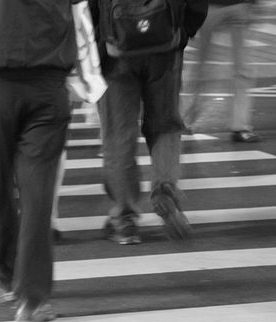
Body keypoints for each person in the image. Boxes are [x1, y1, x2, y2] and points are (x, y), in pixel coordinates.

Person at [0, 0, 81, 322]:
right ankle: (32, 298)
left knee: (2, 184)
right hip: (47, 78)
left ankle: (5, 277)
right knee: (37, 191)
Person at [89, 0, 208, 246]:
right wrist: (183, 32)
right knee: (165, 125)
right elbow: (198, 5)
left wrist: (97, 41)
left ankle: (125, 219)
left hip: (116, 47)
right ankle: (165, 188)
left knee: (118, 135)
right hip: (165, 40)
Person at [182, 0, 260, 142]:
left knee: (238, 67)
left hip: (230, 6)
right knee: (204, 66)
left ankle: (240, 126)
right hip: (213, 7)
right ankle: (186, 119)